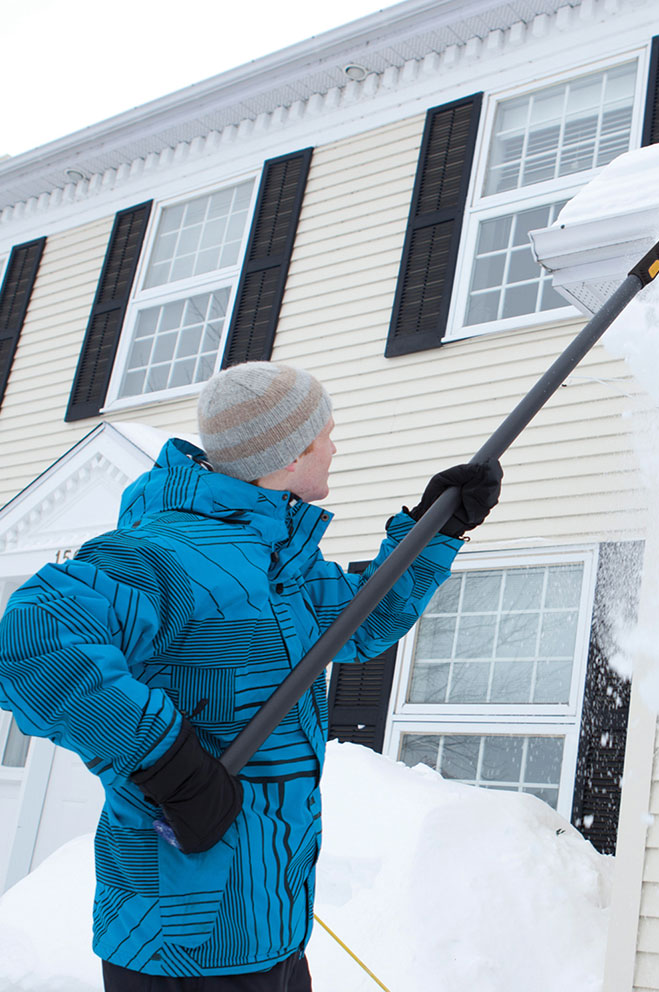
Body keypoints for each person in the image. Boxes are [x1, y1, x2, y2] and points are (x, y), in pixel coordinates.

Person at [0, 361, 501, 990]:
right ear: (289, 456)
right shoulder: (171, 553)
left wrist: (436, 529)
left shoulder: (277, 560)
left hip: (270, 926)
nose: (335, 448)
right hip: (182, 943)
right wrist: (166, 761)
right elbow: (34, 638)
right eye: (327, 435)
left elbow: (361, 624)